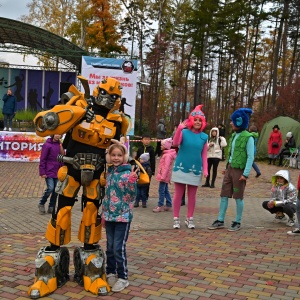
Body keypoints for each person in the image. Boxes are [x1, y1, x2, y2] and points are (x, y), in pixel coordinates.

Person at [28, 76, 129, 298]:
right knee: (61, 211)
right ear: (96, 91)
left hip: (96, 173)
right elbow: (45, 123)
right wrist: (78, 115)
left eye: (114, 96)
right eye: (104, 93)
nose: (108, 98)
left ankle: (91, 259)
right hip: (71, 169)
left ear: (119, 100)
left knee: (92, 213)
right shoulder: (79, 105)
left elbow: (118, 150)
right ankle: (51, 261)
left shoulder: (119, 121)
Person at [208, 108, 254, 232]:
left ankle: (237, 221)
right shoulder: (234, 135)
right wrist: (227, 166)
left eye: (233, 121)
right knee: (224, 194)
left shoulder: (248, 137)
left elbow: (250, 157)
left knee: (238, 197)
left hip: (240, 171)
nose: (231, 123)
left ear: (239, 121)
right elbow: (232, 153)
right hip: (230, 169)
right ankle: (220, 220)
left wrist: (245, 174)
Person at [102, 142, 138, 292]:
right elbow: (107, 196)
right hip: (109, 216)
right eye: (113, 155)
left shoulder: (127, 173)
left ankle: (123, 277)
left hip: (122, 217)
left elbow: (131, 196)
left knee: (118, 248)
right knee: (109, 247)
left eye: (119, 155)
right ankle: (110, 272)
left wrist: (131, 182)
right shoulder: (109, 173)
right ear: (109, 157)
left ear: (124, 157)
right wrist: (104, 214)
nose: (116, 158)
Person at [171, 105, 208, 229]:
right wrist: (179, 129)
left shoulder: (204, 137)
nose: (197, 122)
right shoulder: (184, 132)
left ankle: (189, 218)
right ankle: (176, 218)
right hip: (181, 167)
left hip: (195, 169)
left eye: (200, 120)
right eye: (196, 119)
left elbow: (204, 154)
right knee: (178, 194)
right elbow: (175, 143)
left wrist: (206, 169)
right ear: (191, 120)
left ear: (203, 122)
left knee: (192, 195)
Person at [38, 134, 64, 215]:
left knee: (56, 190)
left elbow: (62, 156)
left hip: (58, 171)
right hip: (49, 170)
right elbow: (43, 159)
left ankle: (51, 206)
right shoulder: (47, 145)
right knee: (50, 188)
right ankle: (41, 203)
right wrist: (42, 172)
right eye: (56, 134)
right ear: (53, 134)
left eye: (59, 134)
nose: (57, 136)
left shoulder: (60, 145)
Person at [153, 138, 177, 212]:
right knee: (165, 190)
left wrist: (163, 176)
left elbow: (166, 167)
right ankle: (169, 204)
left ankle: (160, 205)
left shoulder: (167, 156)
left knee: (161, 190)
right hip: (165, 176)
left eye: (162, 145)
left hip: (164, 176)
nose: (160, 146)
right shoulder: (166, 154)